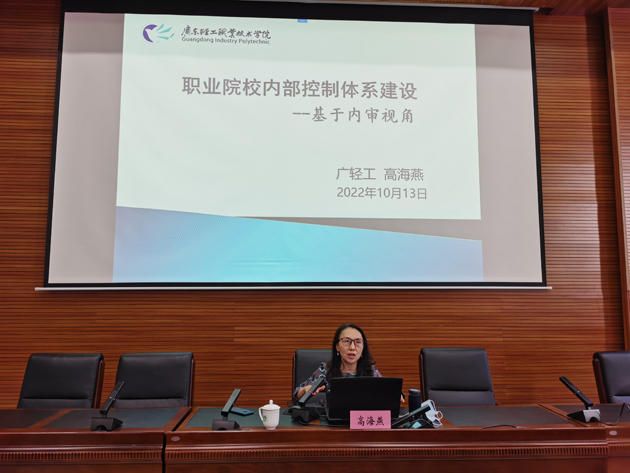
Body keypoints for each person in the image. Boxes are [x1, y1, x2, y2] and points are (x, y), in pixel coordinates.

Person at [294, 323, 382, 406]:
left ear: (363, 347)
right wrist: (305, 390)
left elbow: (386, 394)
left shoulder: (371, 371)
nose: (352, 347)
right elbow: (297, 394)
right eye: (346, 341)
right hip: (335, 416)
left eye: (358, 342)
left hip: (363, 416)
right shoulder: (326, 370)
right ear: (337, 346)